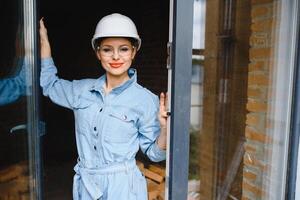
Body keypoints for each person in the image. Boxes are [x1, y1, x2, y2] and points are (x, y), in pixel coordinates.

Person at [39, 13, 169, 200]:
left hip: (124, 188)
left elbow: (154, 154)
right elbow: (50, 85)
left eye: (123, 49)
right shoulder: (81, 90)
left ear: (133, 51)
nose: (116, 56)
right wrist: (43, 39)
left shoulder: (146, 100)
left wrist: (164, 131)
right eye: (107, 49)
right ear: (98, 52)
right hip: (87, 186)